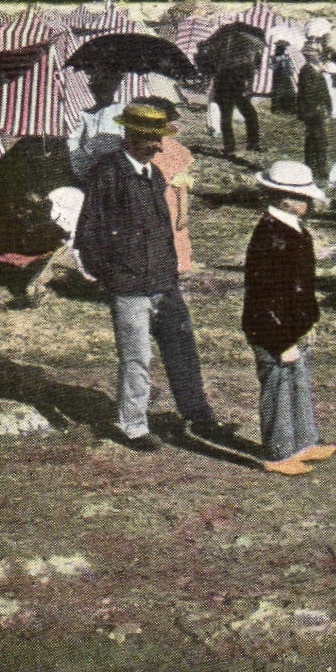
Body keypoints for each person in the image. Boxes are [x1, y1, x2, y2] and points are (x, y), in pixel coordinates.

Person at [73, 101, 233, 452]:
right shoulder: (108, 174)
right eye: (151, 140)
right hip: (129, 285)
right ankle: (133, 426)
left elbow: (163, 230)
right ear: (130, 136)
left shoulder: (153, 174)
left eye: (160, 139)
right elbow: (88, 233)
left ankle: (198, 415)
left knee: (182, 348)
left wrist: (170, 274)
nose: (159, 146)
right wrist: (111, 277)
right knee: (137, 357)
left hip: (163, 281)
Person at [242, 160, 336, 475]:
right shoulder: (271, 237)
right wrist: (280, 340)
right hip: (271, 329)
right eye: (301, 197)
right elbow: (264, 295)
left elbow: (301, 286)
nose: (307, 202)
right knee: (278, 386)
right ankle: (280, 452)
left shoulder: (294, 230)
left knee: (298, 380)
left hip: (292, 326)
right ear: (280, 197)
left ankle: (305, 441)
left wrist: (308, 321)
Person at [141, 97, 198, 273]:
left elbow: (181, 184)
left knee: (173, 233)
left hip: (168, 202)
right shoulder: (137, 148)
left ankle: (175, 265)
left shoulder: (174, 151)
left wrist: (183, 212)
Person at [67, 64, 127, 182]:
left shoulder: (121, 109)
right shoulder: (83, 115)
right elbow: (73, 144)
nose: (107, 93)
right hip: (93, 172)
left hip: (117, 171)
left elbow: (128, 143)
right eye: (102, 90)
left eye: (111, 88)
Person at [295, 47, 334, 181]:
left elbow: (324, 90)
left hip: (317, 109)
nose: (318, 57)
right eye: (316, 55)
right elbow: (308, 92)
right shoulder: (306, 71)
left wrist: (328, 106)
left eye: (318, 54)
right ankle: (318, 169)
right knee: (318, 139)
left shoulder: (316, 69)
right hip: (312, 111)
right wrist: (317, 108)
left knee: (315, 139)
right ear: (310, 57)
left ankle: (315, 168)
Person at [212, 51, 262, 155]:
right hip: (224, 92)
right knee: (226, 119)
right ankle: (229, 147)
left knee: (251, 115)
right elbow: (216, 76)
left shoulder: (245, 61)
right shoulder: (222, 58)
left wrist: (248, 89)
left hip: (238, 92)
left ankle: (253, 143)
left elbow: (250, 76)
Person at [269, 40, 297, 114]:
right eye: (279, 48)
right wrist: (278, 63)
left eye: (282, 48)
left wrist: (291, 71)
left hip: (286, 76)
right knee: (278, 92)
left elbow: (291, 66)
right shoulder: (274, 57)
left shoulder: (287, 57)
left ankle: (289, 109)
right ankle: (277, 109)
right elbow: (272, 66)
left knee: (289, 92)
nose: (279, 50)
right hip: (278, 77)